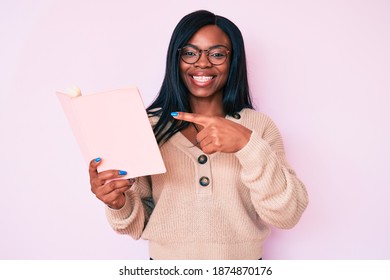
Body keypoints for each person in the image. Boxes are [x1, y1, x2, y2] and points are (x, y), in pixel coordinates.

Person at [89, 10, 308, 260]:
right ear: (176, 58)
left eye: (216, 54)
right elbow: (136, 224)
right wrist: (117, 203)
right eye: (190, 53)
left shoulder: (258, 127)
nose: (202, 63)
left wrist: (247, 145)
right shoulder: (148, 127)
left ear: (233, 61)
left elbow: (287, 214)